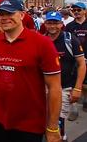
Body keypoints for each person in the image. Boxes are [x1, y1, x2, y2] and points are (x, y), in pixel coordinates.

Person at [0, 0, 62, 142]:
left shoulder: (43, 43)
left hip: (30, 124)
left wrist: (53, 127)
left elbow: (54, 87)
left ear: (22, 15)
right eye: (1, 14)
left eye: (10, 13)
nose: (4, 18)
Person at [44, 11, 86, 141]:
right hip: (44, 87)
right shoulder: (42, 40)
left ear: (61, 24)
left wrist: (78, 88)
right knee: (46, 117)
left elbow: (82, 64)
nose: (52, 26)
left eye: (56, 23)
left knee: (57, 118)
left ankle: (61, 137)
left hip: (65, 87)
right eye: (49, 23)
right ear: (45, 24)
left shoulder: (70, 39)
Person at [65, 2, 87, 113]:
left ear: (85, 11)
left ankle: (86, 101)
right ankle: (74, 111)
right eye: (74, 10)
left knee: (85, 84)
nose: (76, 12)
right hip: (73, 60)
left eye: (79, 10)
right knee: (72, 85)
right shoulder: (69, 26)